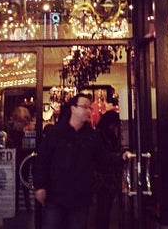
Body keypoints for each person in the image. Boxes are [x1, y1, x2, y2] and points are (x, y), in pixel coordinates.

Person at [33, 94, 123, 229]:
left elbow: (103, 158)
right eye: (84, 107)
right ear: (73, 109)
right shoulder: (56, 132)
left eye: (90, 108)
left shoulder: (92, 136)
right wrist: (40, 186)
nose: (88, 111)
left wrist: (121, 157)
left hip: (80, 196)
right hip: (56, 194)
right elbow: (42, 160)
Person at [93, 110, 123, 229]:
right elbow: (102, 156)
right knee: (103, 208)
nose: (115, 127)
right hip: (103, 177)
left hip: (107, 177)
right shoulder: (101, 136)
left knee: (105, 208)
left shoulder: (105, 134)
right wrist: (119, 157)